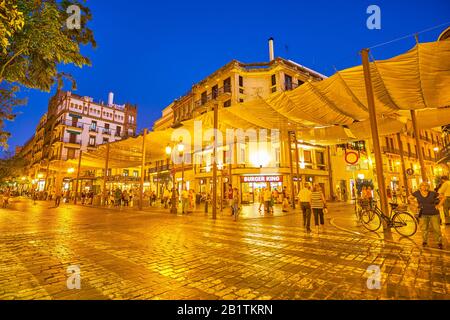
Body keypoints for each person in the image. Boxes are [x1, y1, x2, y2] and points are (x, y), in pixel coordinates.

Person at [409, 182, 443, 249]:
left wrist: (439, 205)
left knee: (436, 229)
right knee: (424, 229)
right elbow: (409, 198)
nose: (424, 187)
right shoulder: (417, 193)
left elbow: (443, 197)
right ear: (420, 187)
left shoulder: (433, 193)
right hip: (423, 214)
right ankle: (424, 241)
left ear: (428, 187)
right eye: (423, 185)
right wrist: (415, 204)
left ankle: (439, 242)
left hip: (434, 214)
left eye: (426, 185)